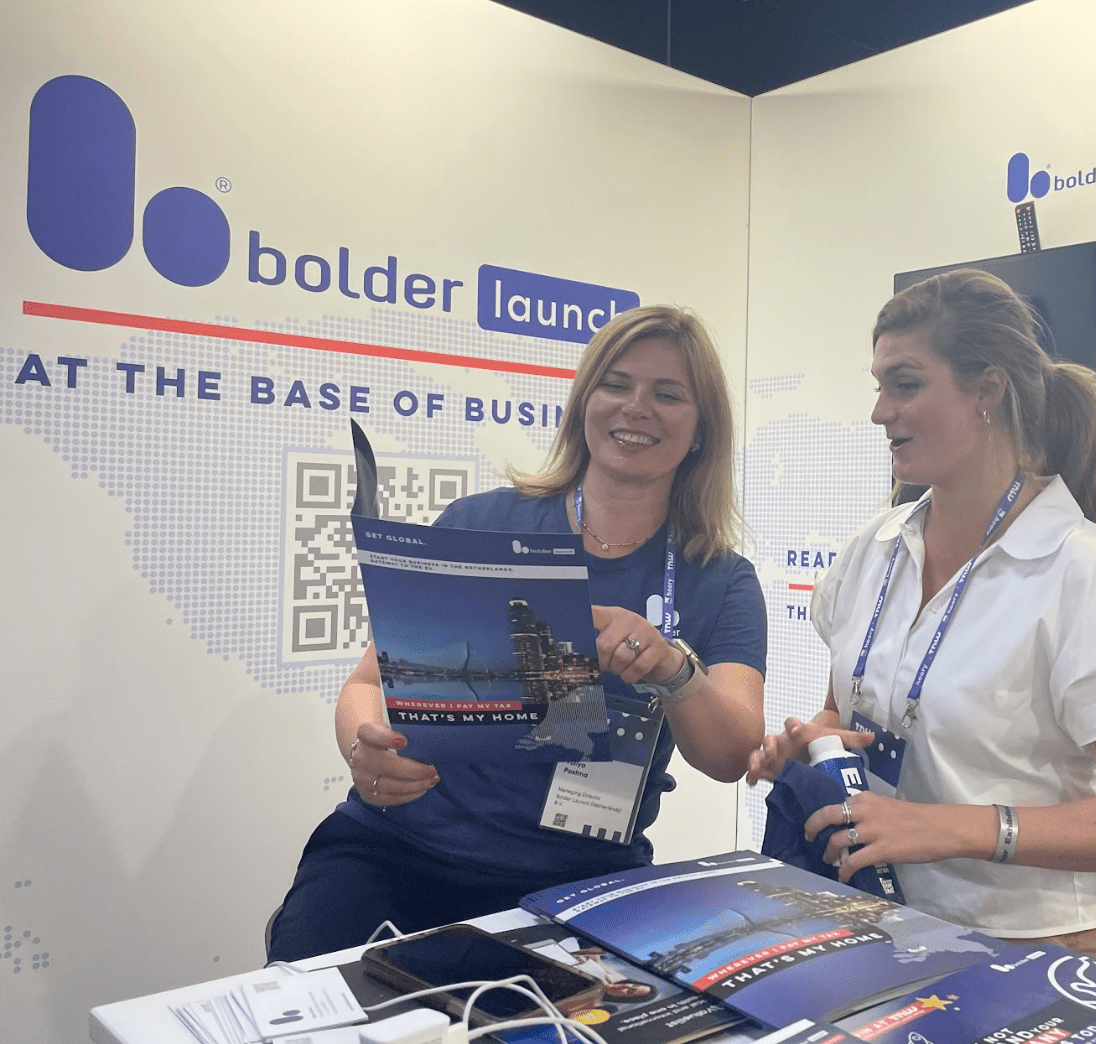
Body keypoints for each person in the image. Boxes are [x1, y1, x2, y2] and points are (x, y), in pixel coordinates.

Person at [269, 305, 767, 962]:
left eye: (668, 394)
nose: (637, 407)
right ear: (584, 402)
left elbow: (733, 754)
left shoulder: (720, 579)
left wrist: (673, 669)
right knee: (306, 1001)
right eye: (616, 384)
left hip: (580, 880)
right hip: (398, 852)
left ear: (702, 429)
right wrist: (363, 748)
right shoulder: (479, 525)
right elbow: (367, 683)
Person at [746, 269, 1096, 964]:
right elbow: (844, 714)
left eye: (905, 385)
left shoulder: (1088, 576)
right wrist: (813, 746)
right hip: (878, 917)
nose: (880, 413)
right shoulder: (874, 548)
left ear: (987, 389)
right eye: (879, 387)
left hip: (1032, 947)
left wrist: (949, 827)